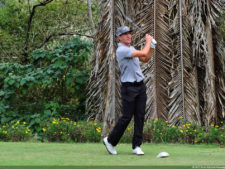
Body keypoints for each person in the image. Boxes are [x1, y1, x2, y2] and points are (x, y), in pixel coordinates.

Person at [103, 26, 155, 155]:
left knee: (140, 116)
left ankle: (136, 146)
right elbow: (143, 53)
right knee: (126, 117)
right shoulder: (121, 50)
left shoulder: (131, 49)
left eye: (129, 34)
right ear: (119, 37)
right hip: (129, 88)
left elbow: (145, 58)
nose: (128, 36)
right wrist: (148, 42)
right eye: (124, 34)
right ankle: (110, 141)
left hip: (140, 86)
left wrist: (152, 47)